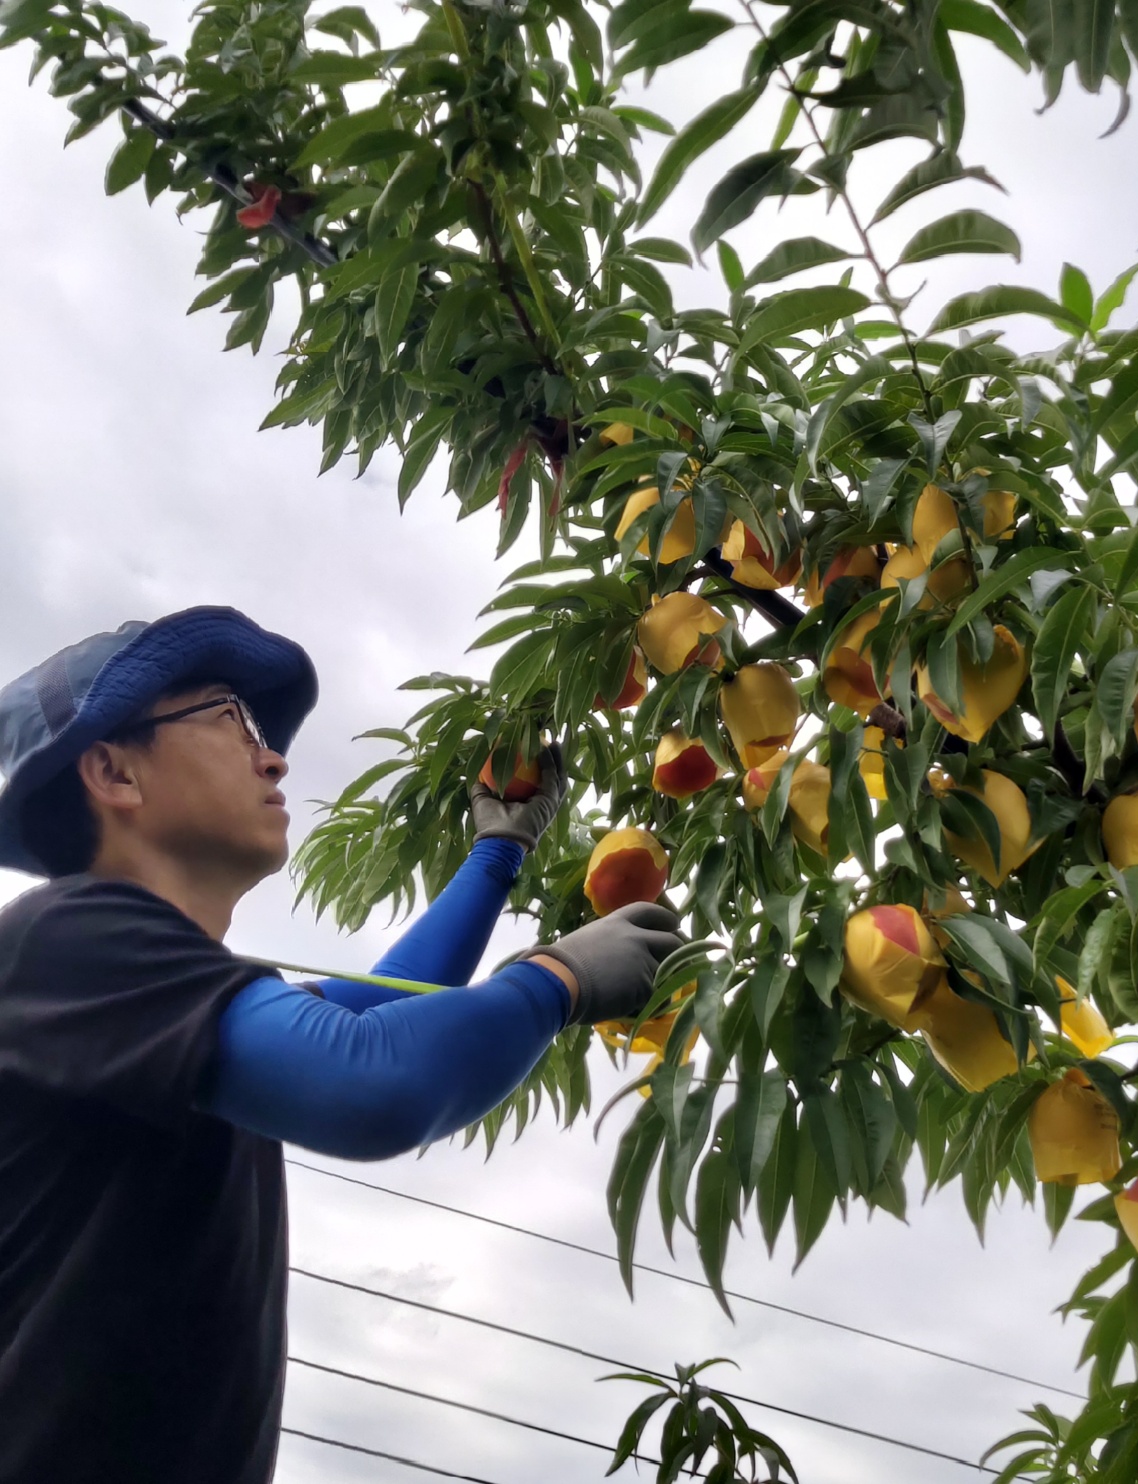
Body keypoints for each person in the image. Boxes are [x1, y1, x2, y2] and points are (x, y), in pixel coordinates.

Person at [0, 604, 685, 1484]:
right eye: (228, 719)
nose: (274, 754)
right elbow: (372, 1079)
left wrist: (497, 854)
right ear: (112, 771)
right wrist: (557, 980)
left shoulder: (139, 990)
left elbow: (356, 1013)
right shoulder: (70, 940)